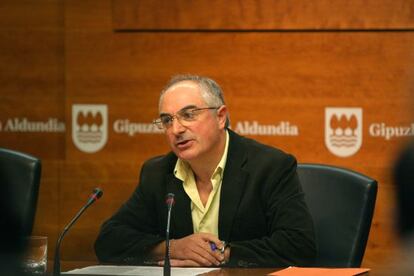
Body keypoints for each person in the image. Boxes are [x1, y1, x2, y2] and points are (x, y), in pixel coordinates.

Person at [94, 74, 316, 267]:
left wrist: (221, 254)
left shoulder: (269, 167)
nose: (176, 129)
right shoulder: (158, 172)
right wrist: (172, 248)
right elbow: (109, 240)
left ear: (220, 117)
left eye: (189, 115)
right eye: (167, 120)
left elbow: (298, 246)